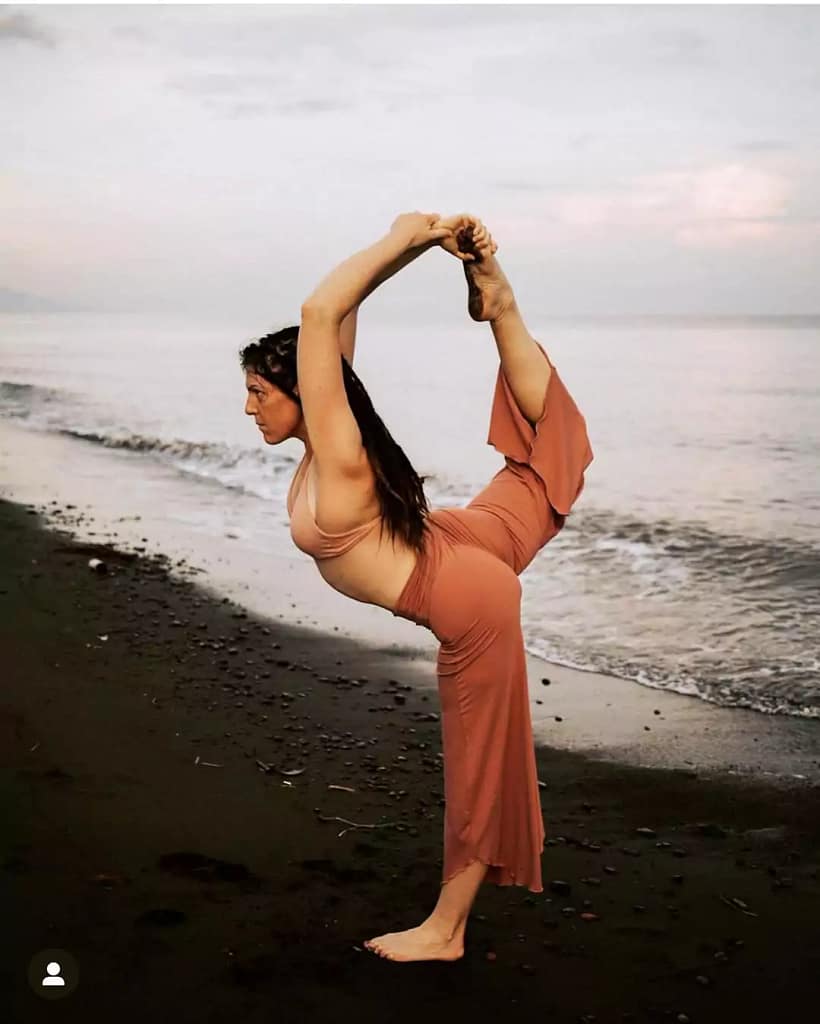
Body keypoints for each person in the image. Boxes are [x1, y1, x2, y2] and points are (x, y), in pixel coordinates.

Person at [239, 212, 594, 963]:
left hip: (469, 598)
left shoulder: (339, 457)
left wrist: (411, 236)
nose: (249, 407)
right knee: (537, 459)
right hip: (451, 541)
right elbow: (346, 307)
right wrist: (425, 251)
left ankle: (448, 931)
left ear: (299, 393)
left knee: (479, 758)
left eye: (257, 393)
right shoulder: (327, 439)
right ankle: (499, 303)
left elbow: (322, 310)